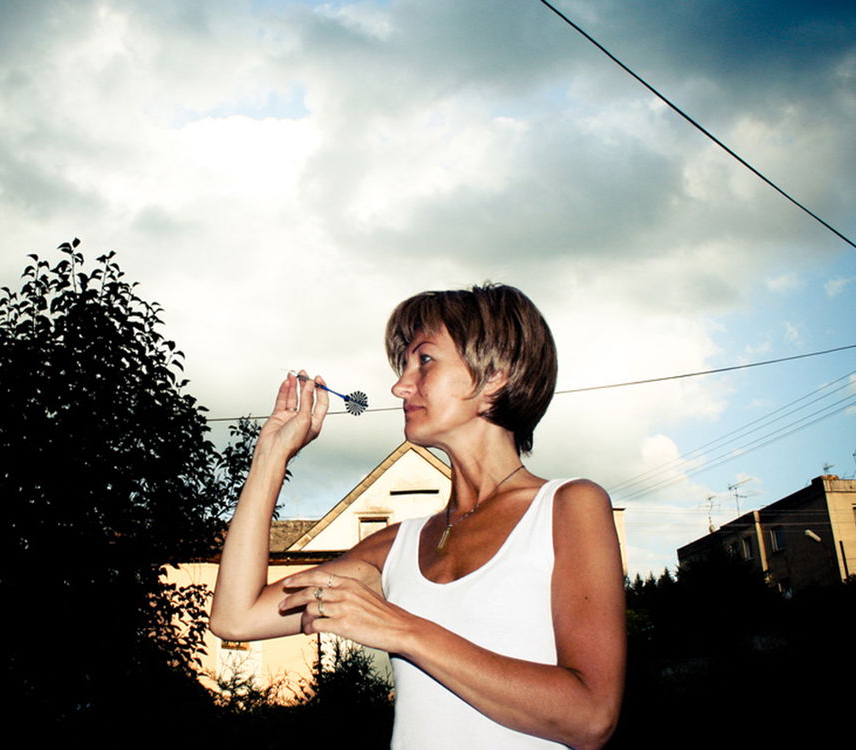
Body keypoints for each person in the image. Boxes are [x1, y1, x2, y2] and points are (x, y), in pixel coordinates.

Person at [209, 284, 625, 749]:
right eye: (403, 366)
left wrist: (400, 629)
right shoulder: (395, 546)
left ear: (495, 377)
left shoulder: (568, 507)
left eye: (424, 360)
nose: (400, 385)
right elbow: (236, 618)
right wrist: (270, 456)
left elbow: (590, 718)